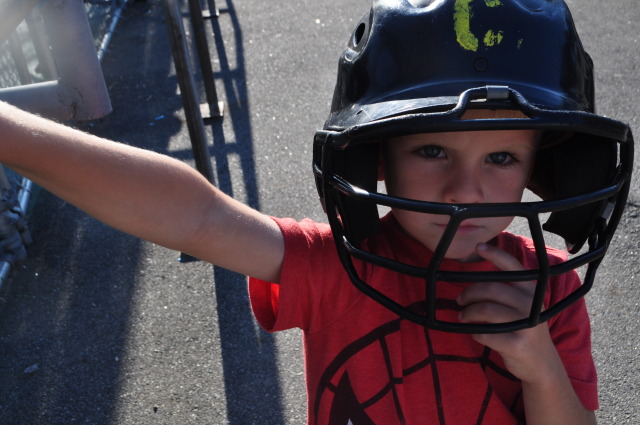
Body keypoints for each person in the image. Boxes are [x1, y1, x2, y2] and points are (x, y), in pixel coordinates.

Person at [0, 0, 634, 424]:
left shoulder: (550, 288)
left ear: (541, 168)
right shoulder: (336, 266)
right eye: (432, 150)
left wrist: (539, 364)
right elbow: (198, 217)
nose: (464, 190)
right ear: (375, 159)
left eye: (501, 157)